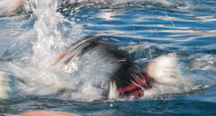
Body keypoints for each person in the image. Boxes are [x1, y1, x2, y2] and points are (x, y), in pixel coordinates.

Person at [54, 35, 184, 100]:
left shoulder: (128, 68)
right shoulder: (164, 91)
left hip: (75, 96)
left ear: (151, 66)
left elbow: (92, 40)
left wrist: (63, 59)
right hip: (89, 101)